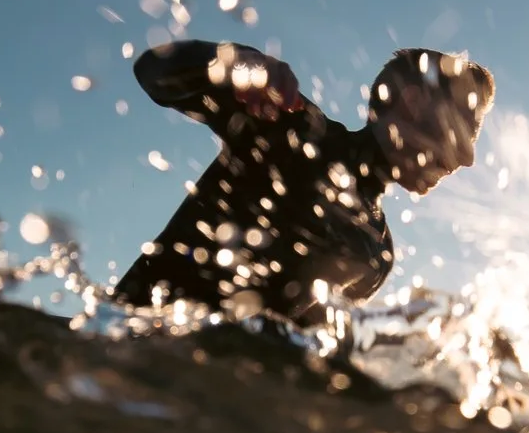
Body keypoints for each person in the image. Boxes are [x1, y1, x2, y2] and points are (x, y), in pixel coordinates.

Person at [112, 40, 495, 324]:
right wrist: (238, 62)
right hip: (119, 358)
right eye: (468, 123)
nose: (468, 157)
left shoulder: (378, 251)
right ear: (414, 102)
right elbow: (154, 72)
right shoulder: (293, 131)